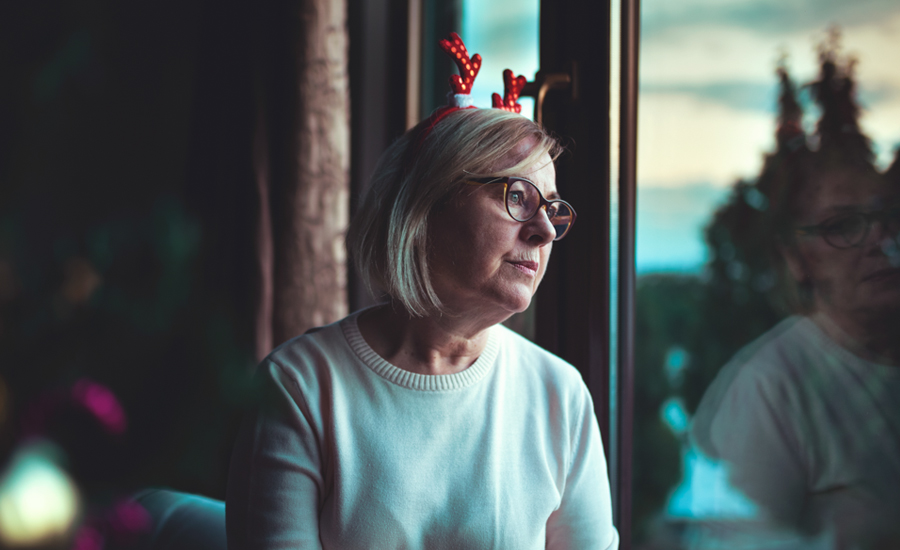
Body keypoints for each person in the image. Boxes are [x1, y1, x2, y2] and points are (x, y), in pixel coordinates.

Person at [226, 34, 618, 550]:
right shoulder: (298, 388)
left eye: (551, 208)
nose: (545, 231)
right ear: (426, 207)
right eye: (518, 197)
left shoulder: (559, 396)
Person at [686, 151, 900, 548]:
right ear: (796, 258)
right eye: (843, 225)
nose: (880, 240)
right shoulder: (767, 386)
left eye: (888, 217)